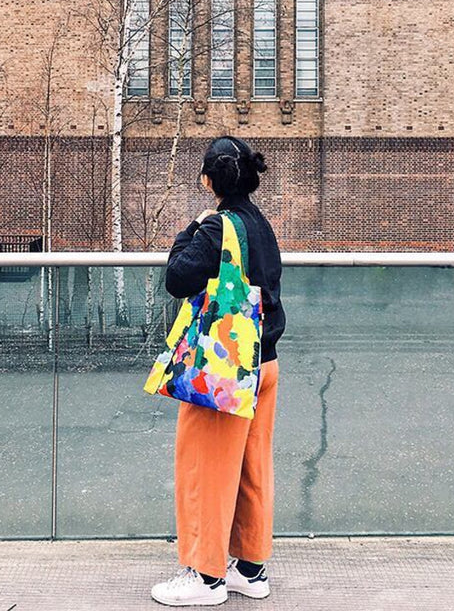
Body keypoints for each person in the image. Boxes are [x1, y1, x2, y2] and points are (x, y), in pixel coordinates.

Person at [151, 135, 286, 607]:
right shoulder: (262, 225)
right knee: (252, 469)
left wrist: (193, 226)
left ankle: (206, 577)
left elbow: (176, 278)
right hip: (264, 365)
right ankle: (249, 570)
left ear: (209, 181)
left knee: (204, 470)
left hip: (223, 369)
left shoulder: (218, 227)